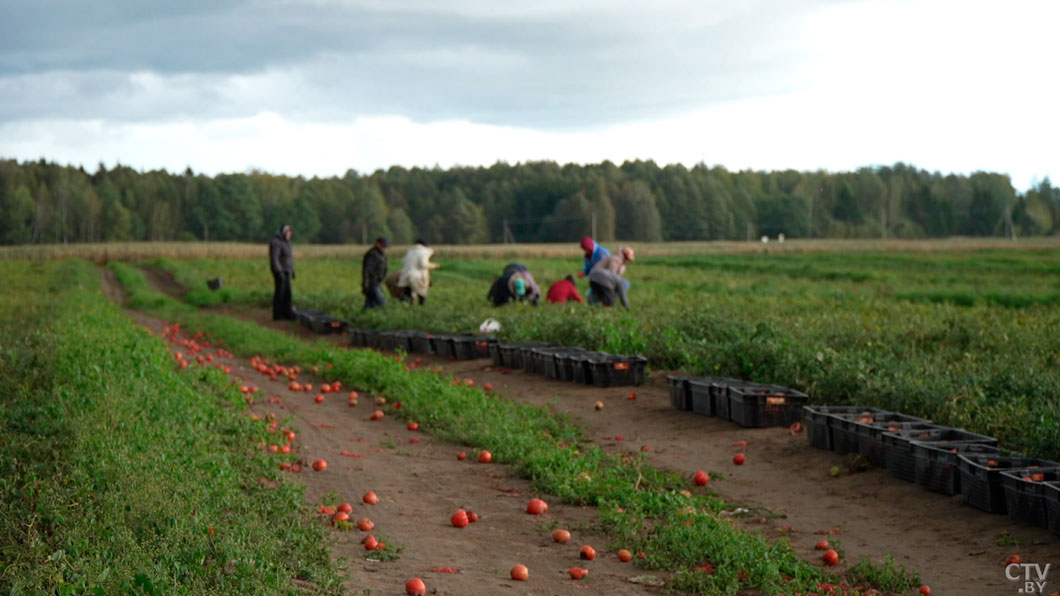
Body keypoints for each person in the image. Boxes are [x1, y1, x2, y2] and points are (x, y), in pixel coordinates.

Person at [397, 239, 439, 305]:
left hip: (405, 275)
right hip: (416, 276)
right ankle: (421, 305)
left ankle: (406, 305)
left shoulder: (410, 251)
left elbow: (403, 261)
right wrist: (434, 266)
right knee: (422, 292)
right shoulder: (424, 251)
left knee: (408, 292)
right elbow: (423, 264)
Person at [268, 224, 296, 320]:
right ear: (283, 233)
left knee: (287, 293)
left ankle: (286, 313)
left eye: (290, 233)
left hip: (286, 270)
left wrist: (293, 270)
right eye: (288, 232)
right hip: (279, 271)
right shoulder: (276, 242)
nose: (289, 234)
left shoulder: (287, 243)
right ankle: (277, 314)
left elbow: (289, 258)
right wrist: (279, 272)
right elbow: (274, 258)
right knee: (280, 292)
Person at [362, 236, 389, 310]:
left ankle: (359, 318)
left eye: (385, 247)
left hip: (378, 283)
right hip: (372, 284)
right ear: (378, 244)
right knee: (382, 302)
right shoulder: (372, 255)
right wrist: (366, 284)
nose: (385, 248)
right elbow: (367, 271)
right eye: (383, 246)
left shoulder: (382, 255)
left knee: (370, 305)